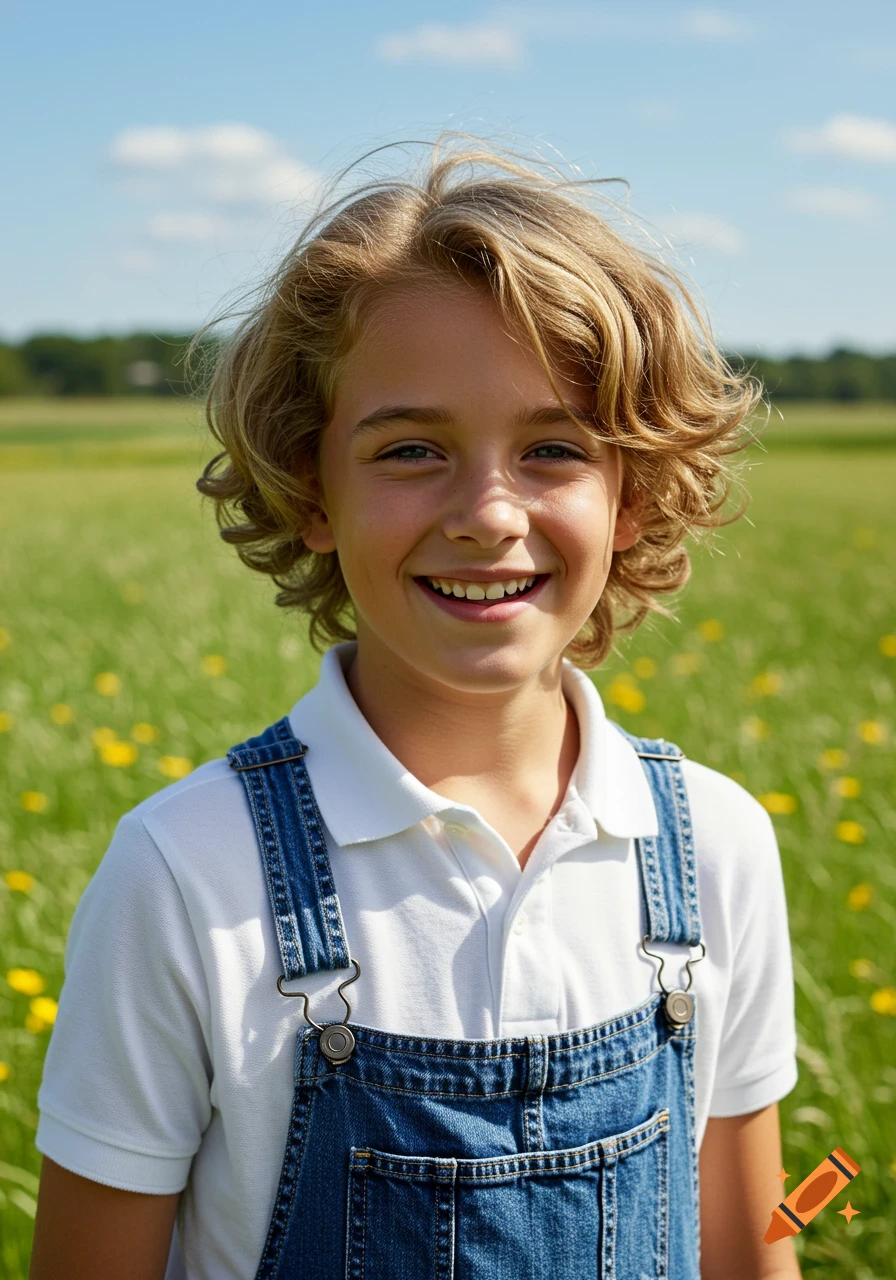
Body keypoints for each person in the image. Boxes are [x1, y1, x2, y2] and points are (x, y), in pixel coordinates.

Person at [29, 140, 801, 1280]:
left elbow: (747, 1247)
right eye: (411, 449)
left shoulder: (713, 846)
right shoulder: (188, 873)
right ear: (310, 491)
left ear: (629, 494)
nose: (488, 513)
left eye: (551, 448)